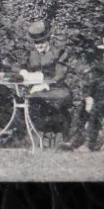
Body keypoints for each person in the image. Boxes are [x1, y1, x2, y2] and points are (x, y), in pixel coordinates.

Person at [16, 18, 79, 147]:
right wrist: (23, 73)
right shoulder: (30, 54)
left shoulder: (58, 52)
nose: (39, 45)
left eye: (42, 42)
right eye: (36, 43)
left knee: (47, 100)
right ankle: (37, 135)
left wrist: (45, 84)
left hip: (58, 89)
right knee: (29, 102)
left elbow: (60, 75)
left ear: (48, 39)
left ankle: (64, 133)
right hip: (36, 92)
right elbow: (20, 67)